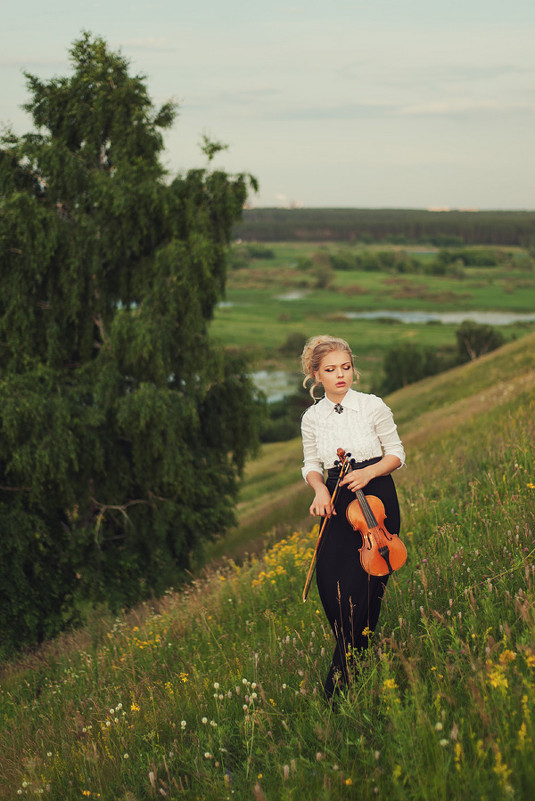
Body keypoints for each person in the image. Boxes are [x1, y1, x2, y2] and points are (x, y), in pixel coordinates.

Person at [300, 335, 405, 701]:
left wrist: (370, 472)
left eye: (345, 367)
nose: (340, 375)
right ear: (316, 374)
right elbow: (312, 465)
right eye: (330, 370)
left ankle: (340, 683)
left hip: (375, 498)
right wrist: (319, 490)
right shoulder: (312, 417)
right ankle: (353, 653)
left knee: (364, 593)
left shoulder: (373, 406)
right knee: (331, 588)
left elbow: (396, 454)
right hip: (336, 498)